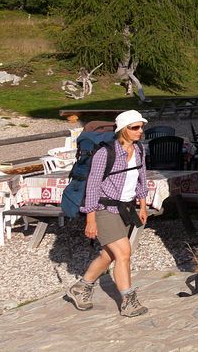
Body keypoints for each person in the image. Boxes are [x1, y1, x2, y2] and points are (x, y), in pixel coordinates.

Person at [66, 109, 150, 316]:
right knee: (124, 253)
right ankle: (129, 302)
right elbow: (92, 187)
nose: (140, 131)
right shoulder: (105, 153)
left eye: (141, 127)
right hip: (105, 209)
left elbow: (142, 178)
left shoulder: (139, 150)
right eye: (135, 128)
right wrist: (90, 220)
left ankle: (81, 288)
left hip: (126, 209)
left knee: (108, 255)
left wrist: (142, 206)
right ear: (123, 130)